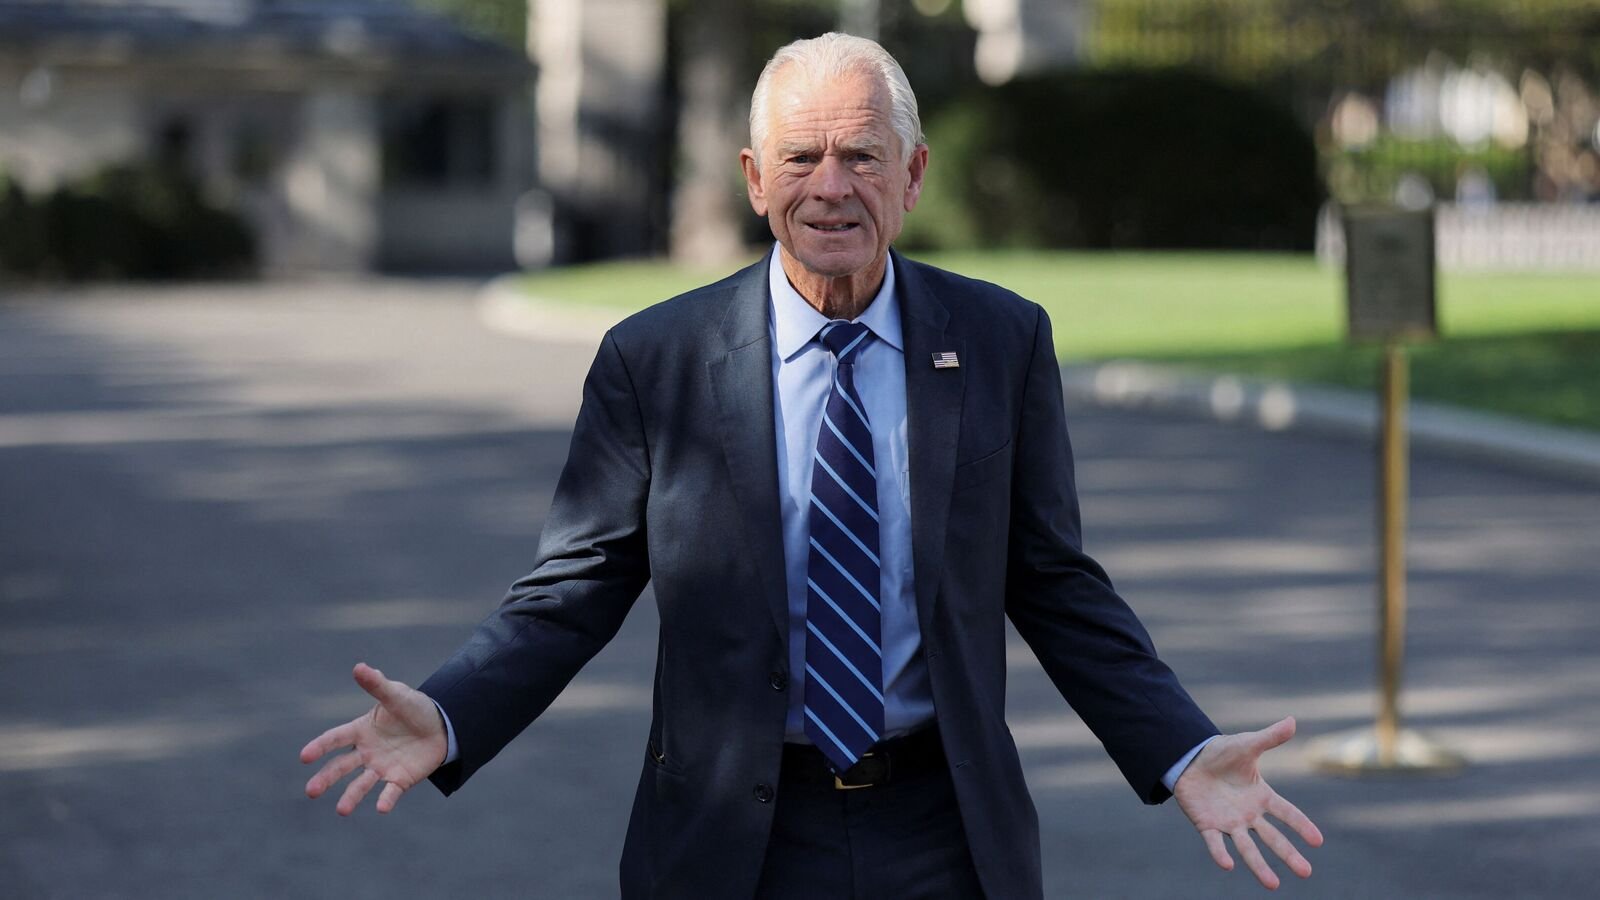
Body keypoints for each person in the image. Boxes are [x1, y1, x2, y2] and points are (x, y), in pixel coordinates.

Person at [301, 33, 1323, 899]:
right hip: (730, 837)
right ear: (753, 178)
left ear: (912, 174)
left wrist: (1179, 747)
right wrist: (450, 709)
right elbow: (572, 588)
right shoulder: (654, 361)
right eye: (799, 158)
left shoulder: (1000, 341)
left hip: (945, 832)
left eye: (860, 157)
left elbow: (1052, 580)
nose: (829, 188)